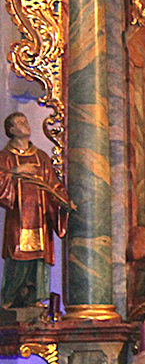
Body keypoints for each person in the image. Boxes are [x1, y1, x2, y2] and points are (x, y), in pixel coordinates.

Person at [0, 112, 71, 308]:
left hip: (40, 218)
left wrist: (63, 200)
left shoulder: (41, 157)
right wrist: (15, 172)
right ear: (11, 131)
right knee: (18, 257)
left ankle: (35, 297)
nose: (25, 125)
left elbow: (53, 185)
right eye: (20, 123)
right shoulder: (5, 157)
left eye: (25, 120)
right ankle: (10, 297)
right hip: (20, 218)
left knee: (39, 259)